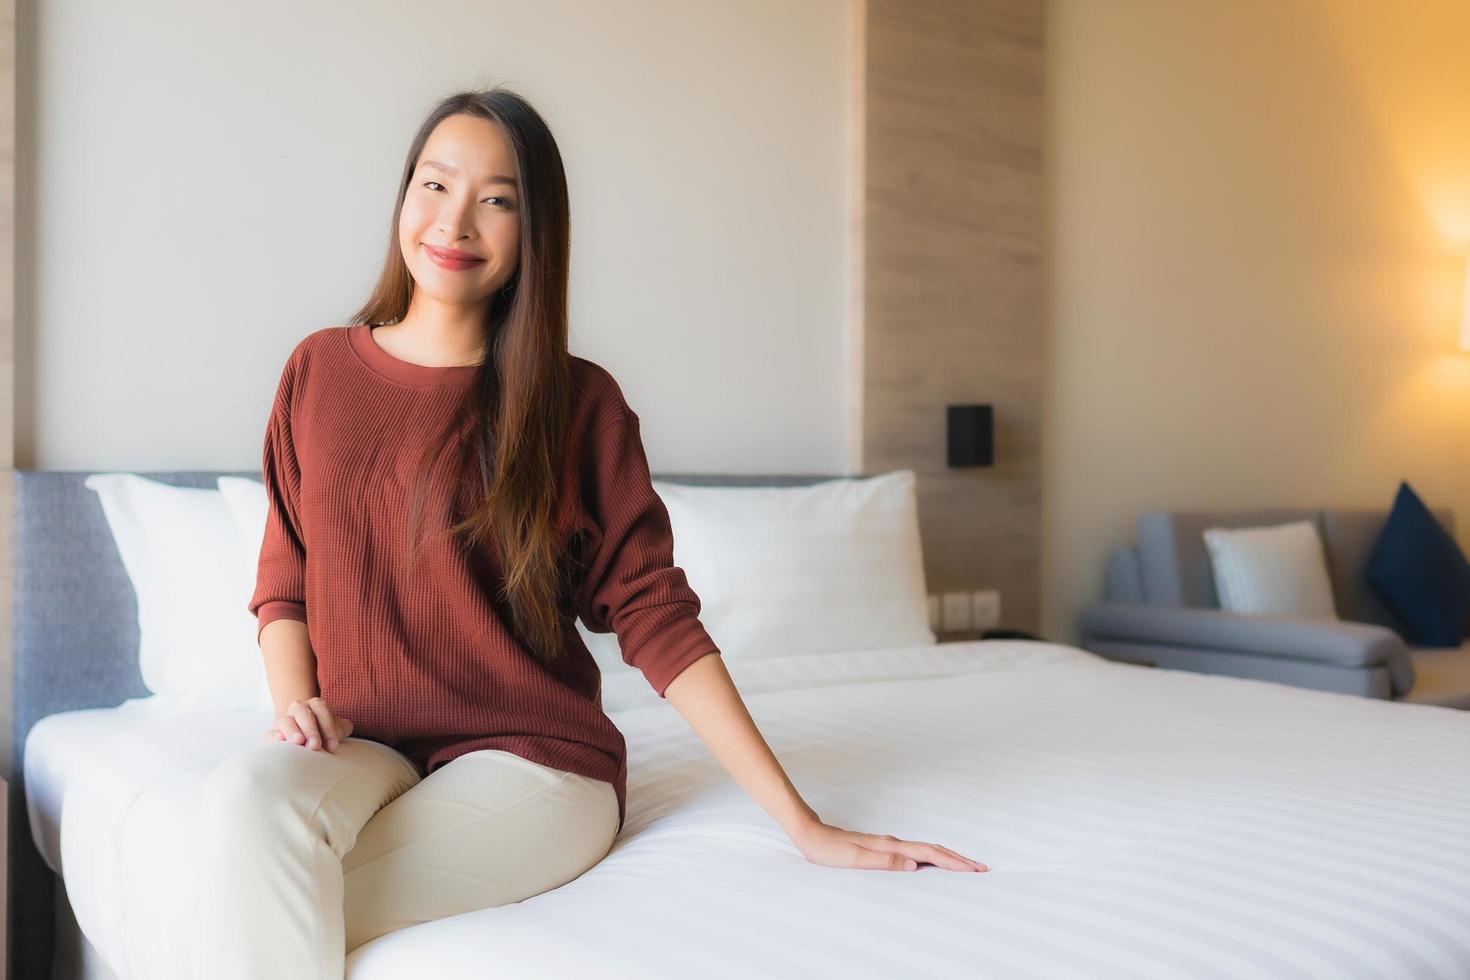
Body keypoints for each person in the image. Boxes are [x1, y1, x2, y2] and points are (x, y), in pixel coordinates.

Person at [174, 86, 987, 979]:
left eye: (498, 200)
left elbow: (657, 616)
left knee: (261, 903)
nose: (456, 222)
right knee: (247, 801)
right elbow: (285, 578)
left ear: (535, 233)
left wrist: (802, 823)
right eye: (436, 185)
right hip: (360, 742)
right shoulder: (319, 370)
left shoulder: (577, 403)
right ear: (404, 194)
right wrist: (299, 709)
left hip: (534, 766)